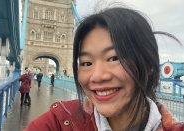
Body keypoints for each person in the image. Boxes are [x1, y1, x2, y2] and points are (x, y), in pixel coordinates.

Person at [24, 7, 184, 130]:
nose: (97, 76)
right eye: (86, 63)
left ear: (149, 65)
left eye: (114, 58)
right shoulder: (58, 122)